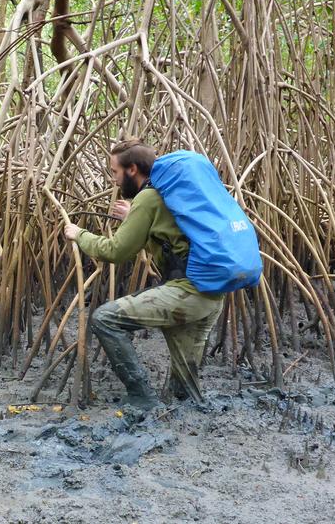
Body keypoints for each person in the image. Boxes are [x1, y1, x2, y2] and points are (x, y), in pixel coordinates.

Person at [63, 140, 224, 410]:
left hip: (186, 293)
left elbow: (114, 251)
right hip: (211, 295)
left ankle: (141, 396)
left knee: (105, 318)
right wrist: (134, 216)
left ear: (133, 169)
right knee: (184, 396)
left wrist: (79, 235)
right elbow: (169, 230)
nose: (113, 180)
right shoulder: (168, 192)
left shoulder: (148, 198)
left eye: (115, 172)